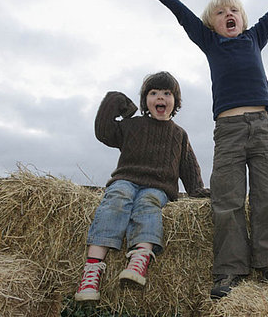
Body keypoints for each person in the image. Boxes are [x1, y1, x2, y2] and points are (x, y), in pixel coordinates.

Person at [139, 0, 268, 299]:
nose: (228, 14)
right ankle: (229, 270)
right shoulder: (210, 42)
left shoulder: (255, 37)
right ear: (211, 24)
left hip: (263, 128)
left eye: (233, 10)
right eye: (220, 12)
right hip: (229, 131)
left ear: (244, 20)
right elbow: (182, 13)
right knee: (228, 199)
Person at [75, 71, 210, 302]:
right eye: (154, 93)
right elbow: (104, 132)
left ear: (175, 101)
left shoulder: (179, 134)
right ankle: (92, 270)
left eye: (167, 93)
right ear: (145, 100)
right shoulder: (132, 126)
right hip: (126, 179)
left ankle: (140, 259)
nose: (161, 97)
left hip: (158, 186)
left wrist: (197, 191)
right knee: (117, 198)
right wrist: (114, 100)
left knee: (148, 204)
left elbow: (188, 166)